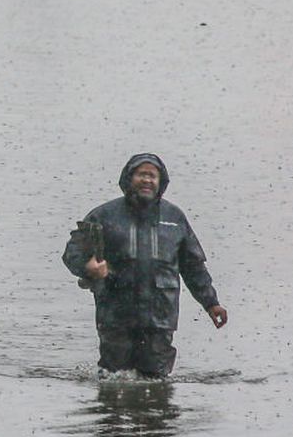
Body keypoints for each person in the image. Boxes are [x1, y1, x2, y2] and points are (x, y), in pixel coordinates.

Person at [62, 153, 228, 378]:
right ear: (129, 179)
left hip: (160, 318)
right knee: (113, 379)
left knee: (156, 380)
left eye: (152, 176)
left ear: (161, 182)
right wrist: (88, 266)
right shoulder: (104, 215)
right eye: (142, 174)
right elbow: (73, 252)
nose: (147, 180)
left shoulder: (175, 218)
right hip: (115, 316)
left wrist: (211, 303)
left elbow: (193, 267)